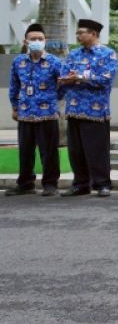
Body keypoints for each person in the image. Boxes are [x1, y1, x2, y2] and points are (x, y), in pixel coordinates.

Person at [59, 19, 118, 197]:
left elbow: (105, 78)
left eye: (81, 32)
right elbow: (64, 76)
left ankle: (102, 184)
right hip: (74, 109)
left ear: (93, 34)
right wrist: (76, 78)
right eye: (77, 33)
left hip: (96, 111)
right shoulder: (73, 55)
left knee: (97, 150)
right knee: (76, 151)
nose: (78, 36)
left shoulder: (108, 54)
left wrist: (79, 77)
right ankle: (80, 184)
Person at [6, 24, 64, 196]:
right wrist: (15, 107)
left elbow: (63, 85)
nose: (37, 42)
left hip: (47, 115)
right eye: (33, 39)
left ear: (45, 41)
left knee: (49, 152)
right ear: (25, 41)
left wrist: (53, 99)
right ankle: (25, 183)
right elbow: (14, 86)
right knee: (25, 151)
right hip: (24, 114)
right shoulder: (18, 62)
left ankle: (50, 184)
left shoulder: (54, 62)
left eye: (40, 39)